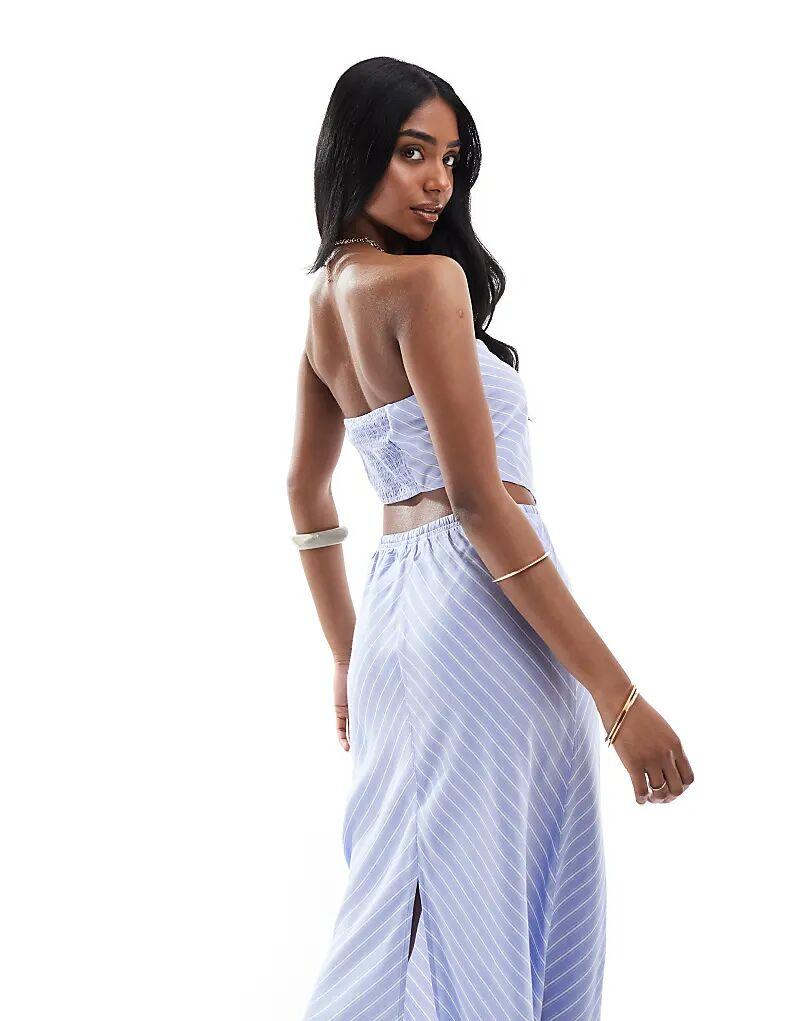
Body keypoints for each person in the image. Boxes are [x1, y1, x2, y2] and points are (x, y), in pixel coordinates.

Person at [287, 56, 695, 1021]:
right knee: (491, 890)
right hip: (481, 610)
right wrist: (620, 699)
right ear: (356, 151)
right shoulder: (426, 281)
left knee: (422, 891)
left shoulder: (325, 299)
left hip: (398, 613)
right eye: (412, 152)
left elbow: (306, 495)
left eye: (452, 159)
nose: (438, 181)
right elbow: (478, 502)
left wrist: (352, 656)